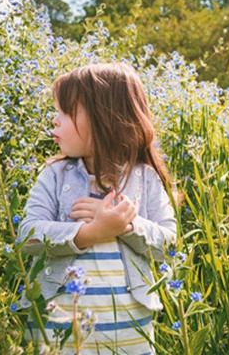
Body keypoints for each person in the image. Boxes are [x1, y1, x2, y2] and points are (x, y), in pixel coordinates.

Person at [18, 63, 177, 355]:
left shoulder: (144, 177)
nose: (54, 120)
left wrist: (127, 226)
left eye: (65, 112)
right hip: (58, 334)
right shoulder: (54, 174)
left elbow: (168, 244)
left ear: (103, 118)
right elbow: (27, 235)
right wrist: (90, 232)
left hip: (129, 335)